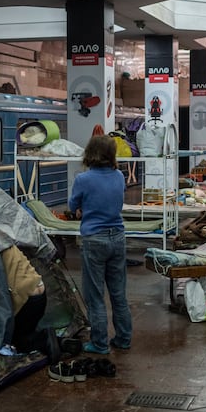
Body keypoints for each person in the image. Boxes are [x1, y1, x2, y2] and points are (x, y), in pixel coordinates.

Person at [68, 135, 131, 353]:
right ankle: (123, 338)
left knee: (95, 295)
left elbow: (73, 204)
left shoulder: (83, 179)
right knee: (118, 294)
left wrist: (82, 208)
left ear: (90, 153)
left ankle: (99, 343)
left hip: (94, 239)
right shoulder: (119, 177)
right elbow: (118, 202)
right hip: (118, 237)